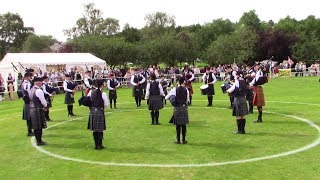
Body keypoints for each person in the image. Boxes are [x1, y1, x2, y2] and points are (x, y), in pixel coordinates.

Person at [165, 77, 190, 144]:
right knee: (184, 124)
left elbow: (166, 97)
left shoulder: (174, 89)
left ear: (178, 82)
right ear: (183, 82)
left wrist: (172, 100)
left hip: (177, 108)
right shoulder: (186, 90)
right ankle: (184, 140)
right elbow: (188, 100)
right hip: (184, 108)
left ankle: (178, 140)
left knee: (178, 125)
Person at [87, 79, 108, 150]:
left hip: (92, 111)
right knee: (100, 129)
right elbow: (106, 104)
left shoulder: (90, 92)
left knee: (95, 130)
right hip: (100, 111)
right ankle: (100, 145)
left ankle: (96, 145)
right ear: (102, 85)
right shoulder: (103, 93)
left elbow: (88, 101)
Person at [30, 77, 48, 146]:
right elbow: (43, 102)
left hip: (32, 109)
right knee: (39, 127)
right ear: (38, 82)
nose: (42, 84)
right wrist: (45, 106)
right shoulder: (39, 91)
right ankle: (39, 141)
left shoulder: (31, 89)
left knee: (36, 126)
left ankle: (38, 141)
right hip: (38, 109)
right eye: (41, 82)